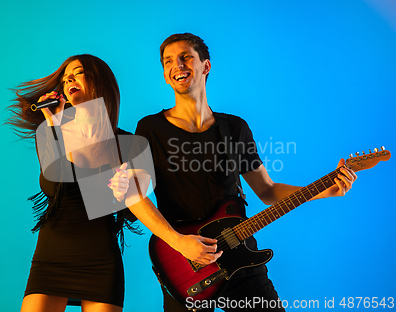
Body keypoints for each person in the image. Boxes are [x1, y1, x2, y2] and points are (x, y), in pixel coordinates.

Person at [131, 33, 357, 311]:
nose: (177, 65)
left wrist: (324, 191)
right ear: (165, 75)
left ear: (206, 66)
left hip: (240, 255)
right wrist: (179, 242)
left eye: (186, 57)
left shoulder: (234, 128)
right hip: (183, 261)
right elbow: (134, 195)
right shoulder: (149, 129)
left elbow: (267, 190)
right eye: (168, 61)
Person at [6, 54, 136, 312]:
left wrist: (126, 188)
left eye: (77, 73)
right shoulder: (50, 132)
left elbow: (131, 213)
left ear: (99, 82)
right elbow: (53, 187)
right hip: (52, 256)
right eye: (65, 78)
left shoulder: (125, 141)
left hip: (100, 258)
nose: (69, 80)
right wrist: (55, 124)